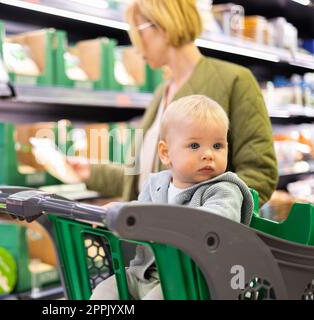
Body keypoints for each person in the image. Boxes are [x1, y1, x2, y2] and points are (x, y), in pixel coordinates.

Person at [67, 0, 277, 207]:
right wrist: (89, 172)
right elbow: (147, 179)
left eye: (138, 32)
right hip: (150, 234)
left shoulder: (235, 80)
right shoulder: (162, 92)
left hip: (194, 237)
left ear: (162, 25)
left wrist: (202, 217)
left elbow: (259, 175)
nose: (136, 45)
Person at [90, 94, 255, 300]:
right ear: (166, 152)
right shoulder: (156, 185)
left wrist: (156, 220)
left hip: (194, 281)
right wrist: (122, 211)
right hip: (144, 274)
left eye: (217, 145)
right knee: (105, 291)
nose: (208, 154)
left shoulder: (224, 190)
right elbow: (141, 212)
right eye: (194, 146)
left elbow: (216, 222)